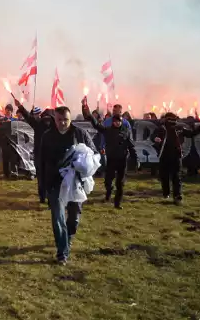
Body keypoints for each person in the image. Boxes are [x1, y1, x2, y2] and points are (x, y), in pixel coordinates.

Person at [40, 106, 97, 265]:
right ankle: (62, 253)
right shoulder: (48, 136)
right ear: (55, 119)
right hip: (55, 182)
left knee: (73, 217)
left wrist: (85, 164)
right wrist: (43, 186)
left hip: (75, 182)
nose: (62, 123)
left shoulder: (80, 133)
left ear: (70, 119)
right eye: (59, 119)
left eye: (66, 119)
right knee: (58, 217)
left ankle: (69, 236)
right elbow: (41, 161)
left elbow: (93, 152)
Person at [83, 99, 138, 209]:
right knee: (108, 181)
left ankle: (117, 204)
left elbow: (131, 146)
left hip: (122, 160)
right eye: (115, 121)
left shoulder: (126, 131)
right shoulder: (107, 130)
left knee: (120, 183)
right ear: (113, 122)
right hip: (111, 159)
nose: (117, 122)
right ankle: (108, 193)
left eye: (119, 121)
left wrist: (136, 159)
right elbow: (96, 124)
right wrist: (87, 111)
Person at [152, 113, 200, 205]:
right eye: (170, 119)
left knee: (176, 176)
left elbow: (191, 133)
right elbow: (153, 136)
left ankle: (177, 196)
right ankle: (166, 194)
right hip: (164, 155)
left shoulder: (179, 128)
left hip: (176, 155)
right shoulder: (161, 128)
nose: (172, 121)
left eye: (173, 119)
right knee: (164, 176)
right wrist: (155, 138)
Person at [15, 100, 53, 201]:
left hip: (41, 155)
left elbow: (28, 117)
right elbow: (28, 116)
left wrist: (20, 106)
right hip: (48, 155)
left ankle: (42, 196)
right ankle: (48, 197)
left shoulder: (39, 123)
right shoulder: (54, 125)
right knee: (48, 177)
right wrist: (20, 107)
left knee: (41, 177)